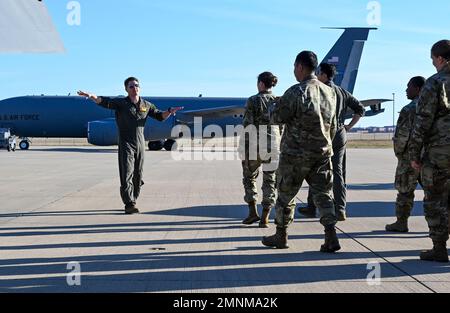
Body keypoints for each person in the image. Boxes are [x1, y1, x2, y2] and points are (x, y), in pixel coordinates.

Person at [262, 51, 340, 253]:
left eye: (295, 67)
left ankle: (281, 235)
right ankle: (331, 235)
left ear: (300, 67)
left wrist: (273, 105)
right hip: (322, 152)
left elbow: (277, 118)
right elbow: (332, 124)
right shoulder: (330, 92)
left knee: (285, 195)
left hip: (296, 154)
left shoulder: (296, 91)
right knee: (323, 195)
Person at [78, 77, 181, 214]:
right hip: (126, 142)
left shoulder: (146, 105)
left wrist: (169, 111)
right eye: (131, 86)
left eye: (136, 85)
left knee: (138, 174)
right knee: (126, 173)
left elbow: (159, 116)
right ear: (126, 89)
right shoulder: (121, 103)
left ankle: (134, 197)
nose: (134, 88)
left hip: (140, 142)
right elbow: (103, 101)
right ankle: (129, 203)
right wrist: (91, 96)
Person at [297, 63, 365, 221]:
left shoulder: (318, 90)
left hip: (323, 133)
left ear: (324, 75)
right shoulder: (342, 91)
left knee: (315, 169)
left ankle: (312, 206)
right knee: (338, 172)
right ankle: (340, 209)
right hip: (340, 133)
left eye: (318, 73)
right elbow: (360, 109)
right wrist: (349, 126)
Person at [409, 40, 450, 263]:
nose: (433, 64)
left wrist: (414, 154)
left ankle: (439, 247)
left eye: (433, 59)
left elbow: (422, 121)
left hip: (440, 154)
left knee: (436, 200)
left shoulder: (435, 83)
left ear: (440, 59)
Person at [240, 72, 282, 228]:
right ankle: (265, 217)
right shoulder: (278, 101)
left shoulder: (253, 100)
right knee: (270, 180)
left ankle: (252, 212)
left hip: (255, 145)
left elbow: (247, 124)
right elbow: (282, 124)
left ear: (261, 84)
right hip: (273, 145)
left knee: (249, 176)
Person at [385, 76, 426, 233]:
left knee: (405, 191)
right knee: (435, 193)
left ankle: (401, 222)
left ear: (417, 89)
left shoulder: (410, 109)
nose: (406, 90)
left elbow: (402, 135)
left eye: (409, 87)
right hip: (430, 156)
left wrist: (399, 153)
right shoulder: (434, 107)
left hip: (410, 157)